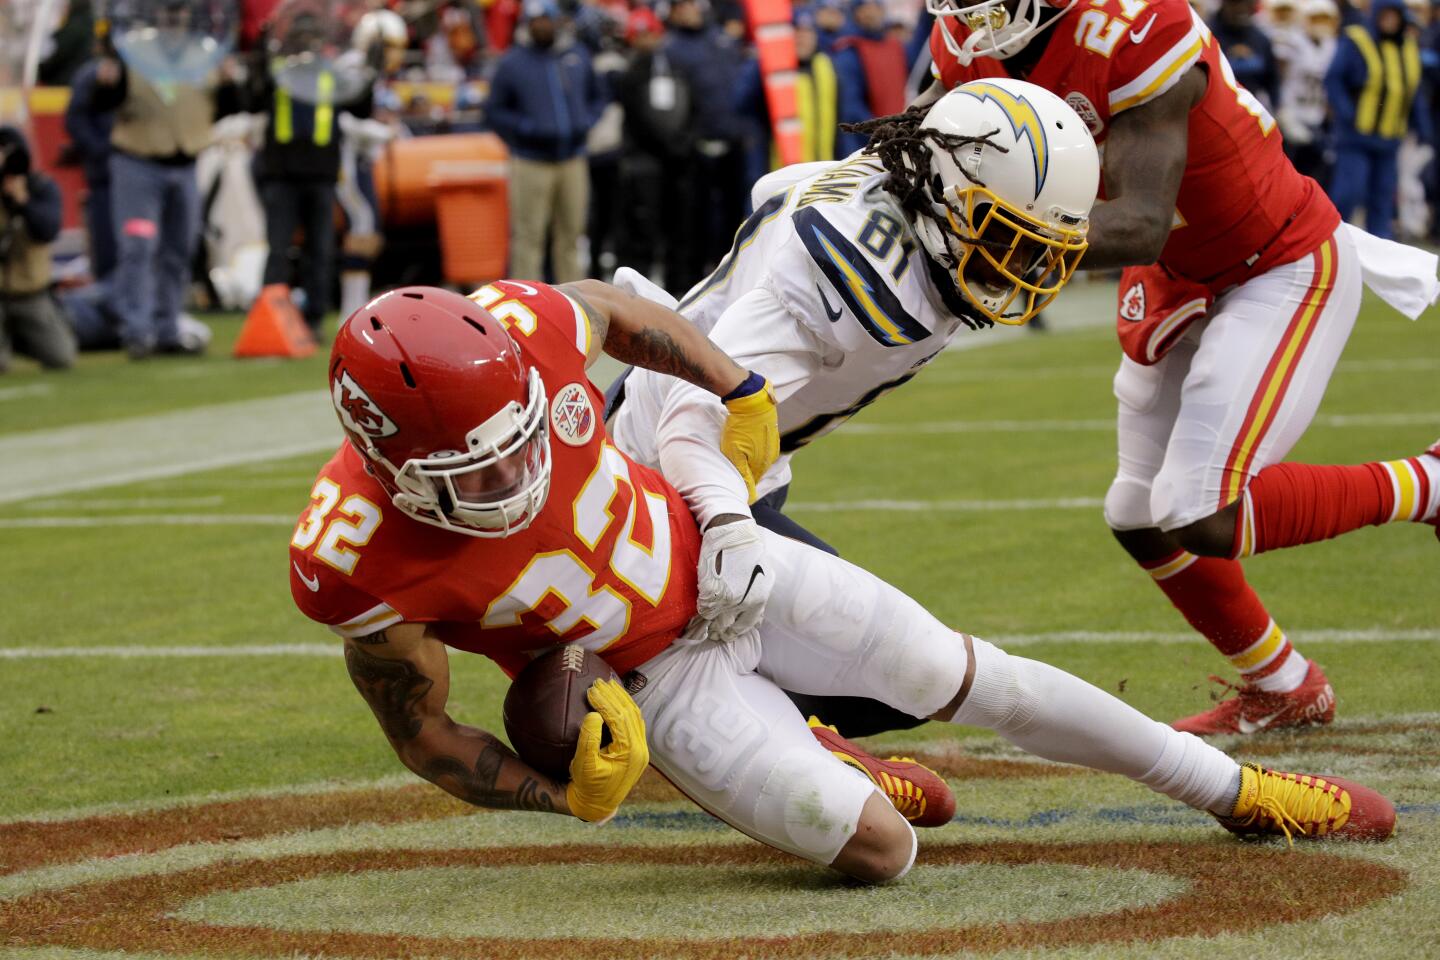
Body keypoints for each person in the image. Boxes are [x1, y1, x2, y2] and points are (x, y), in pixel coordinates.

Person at [291, 280, 1395, 888]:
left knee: (971, 675)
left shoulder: (524, 333)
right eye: (471, 472)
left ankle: (1238, 794)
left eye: (519, 437)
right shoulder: (351, 554)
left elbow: (625, 314)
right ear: (386, 460)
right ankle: (824, 760)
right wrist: (560, 795)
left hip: (718, 560)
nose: (512, 474)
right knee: (884, 851)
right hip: (641, 679)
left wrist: (736, 388)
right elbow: (422, 732)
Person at [921, 0, 1440, 736]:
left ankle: (1430, 485)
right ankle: (1284, 683)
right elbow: (917, 148)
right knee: (1137, 514)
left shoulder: (1139, 29)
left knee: (1201, 512)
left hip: (1275, 260)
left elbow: (1139, 219)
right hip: (1172, 273)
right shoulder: (963, 38)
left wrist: (991, 238)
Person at [608, 80, 1095, 736]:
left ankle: (697, 682)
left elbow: (772, 188)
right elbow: (694, 418)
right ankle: (684, 697)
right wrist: (725, 522)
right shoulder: (854, 271)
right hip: (665, 469)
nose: (1019, 270)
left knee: (866, 670)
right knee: (882, 686)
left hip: (738, 458)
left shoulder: (893, 177)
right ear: (947, 195)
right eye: (1005, 239)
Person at [89, 0, 241, 358]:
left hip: (186, 164)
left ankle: (168, 326)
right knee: (138, 247)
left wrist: (232, 83)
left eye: (180, 11)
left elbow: (229, 107)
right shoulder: (132, 51)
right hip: (139, 163)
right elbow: (101, 104)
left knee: (179, 248)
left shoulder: (204, 54)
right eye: (168, 11)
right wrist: (107, 83)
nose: (174, 17)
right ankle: (136, 329)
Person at [485, 0, 608, 283]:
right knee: (529, 236)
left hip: (572, 158)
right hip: (531, 160)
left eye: (546, 19)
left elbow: (598, 96)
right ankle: (524, 302)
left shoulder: (576, 55)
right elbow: (494, 111)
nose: (542, 25)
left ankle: (575, 302)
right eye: (536, 20)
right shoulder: (513, 62)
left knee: (572, 235)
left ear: (557, 21)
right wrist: (525, 129)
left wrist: (585, 122)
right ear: (527, 23)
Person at [1326, 0, 1430, 239]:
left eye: (1395, 16)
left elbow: (1413, 92)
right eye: (1386, 15)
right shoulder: (1357, 40)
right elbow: (1334, 79)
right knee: (1349, 192)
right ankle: (1332, 241)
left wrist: (1423, 128)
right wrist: (1346, 113)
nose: (1391, 21)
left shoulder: (1408, 46)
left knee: (1382, 198)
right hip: (1356, 135)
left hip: (1390, 137)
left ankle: (1380, 255)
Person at [0, 126, 76, 373]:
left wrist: (23, 202)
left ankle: (17, 340)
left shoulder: (41, 188)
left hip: (31, 295)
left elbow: (47, 231)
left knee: (61, 356)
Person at [834, 0, 910, 155]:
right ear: (856, 14)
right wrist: (884, 132)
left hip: (895, 136)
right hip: (865, 142)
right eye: (866, 8)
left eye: (876, 7)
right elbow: (852, 108)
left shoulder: (894, 46)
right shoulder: (849, 51)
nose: (872, 12)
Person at [65, 59, 118, 279]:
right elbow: (75, 119)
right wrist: (99, 150)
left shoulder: (144, 68)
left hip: (138, 169)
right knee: (105, 238)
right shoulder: (92, 75)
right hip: (104, 174)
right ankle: (107, 290)